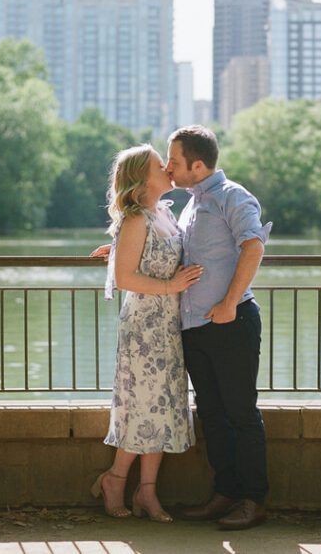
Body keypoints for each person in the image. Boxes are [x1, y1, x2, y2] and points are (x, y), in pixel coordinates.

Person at [89, 144, 203, 521]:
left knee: (163, 407)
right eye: (160, 164)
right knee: (141, 407)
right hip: (143, 328)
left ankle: (147, 493)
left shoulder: (163, 214)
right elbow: (125, 278)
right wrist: (170, 286)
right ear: (143, 177)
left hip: (168, 326)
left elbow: (148, 257)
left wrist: (121, 247)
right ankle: (116, 480)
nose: (169, 167)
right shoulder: (138, 218)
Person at [166, 125, 272, 531]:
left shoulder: (233, 196)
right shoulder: (190, 205)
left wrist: (229, 303)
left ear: (197, 164)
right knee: (211, 414)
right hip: (195, 327)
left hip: (231, 321)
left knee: (241, 413)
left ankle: (254, 500)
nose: (168, 168)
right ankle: (225, 494)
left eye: (174, 162)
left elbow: (253, 245)